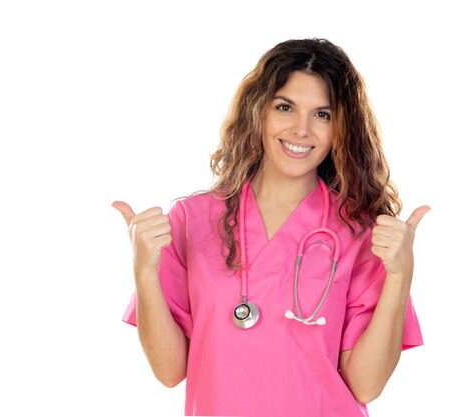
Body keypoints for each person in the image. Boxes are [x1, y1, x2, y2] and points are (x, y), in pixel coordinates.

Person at [112, 38, 429, 417]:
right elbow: (168, 371)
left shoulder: (359, 233)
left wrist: (400, 275)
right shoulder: (190, 220)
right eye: (285, 107)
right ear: (258, 112)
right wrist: (144, 273)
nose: (301, 129)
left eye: (322, 115)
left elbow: (366, 384)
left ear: (340, 129)